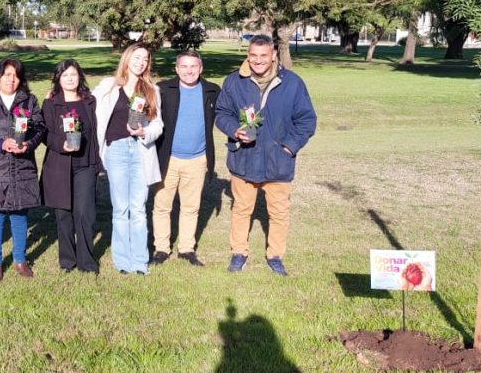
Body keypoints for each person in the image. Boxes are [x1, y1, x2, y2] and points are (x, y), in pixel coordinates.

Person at [215, 35, 316, 276]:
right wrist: (234, 130)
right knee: (241, 209)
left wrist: (289, 147)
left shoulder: (292, 83)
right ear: (247, 55)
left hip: (278, 161)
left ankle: (275, 256)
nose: (258, 60)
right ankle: (239, 253)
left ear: (273, 55)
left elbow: (306, 120)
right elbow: (221, 113)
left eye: (263, 55)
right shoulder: (234, 81)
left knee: (279, 213)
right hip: (244, 158)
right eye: (253, 55)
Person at [94, 43, 163, 275]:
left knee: (139, 208)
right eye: (137, 57)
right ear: (127, 58)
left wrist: (144, 132)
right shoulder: (109, 86)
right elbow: (85, 102)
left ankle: (140, 261)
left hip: (141, 151)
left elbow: (158, 125)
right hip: (117, 150)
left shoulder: (152, 90)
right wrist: (55, 93)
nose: (141, 62)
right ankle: (123, 261)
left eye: (145, 59)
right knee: (121, 208)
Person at [0, 58, 45, 280]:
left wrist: (28, 144)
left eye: (15, 75)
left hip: (23, 166)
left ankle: (20, 260)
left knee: (19, 214)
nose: (11, 79)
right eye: (7, 75)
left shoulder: (29, 100)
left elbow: (40, 128)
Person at [151, 51, 220, 267]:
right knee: (162, 206)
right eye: (184, 66)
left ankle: (186, 249)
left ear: (201, 68)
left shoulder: (212, 91)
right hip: (168, 159)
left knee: (191, 207)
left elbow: (227, 114)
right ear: (176, 69)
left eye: (193, 66)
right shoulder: (163, 89)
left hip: (197, 160)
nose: (189, 71)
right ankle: (161, 248)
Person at [40, 60, 100, 274]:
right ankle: (67, 260)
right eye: (64, 75)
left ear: (80, 76)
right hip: (59, 165)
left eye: (73, 74)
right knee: (63, 214)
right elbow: (44, 134)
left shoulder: (89, 101)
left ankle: (87, 262)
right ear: (58, 78)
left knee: (84, 214)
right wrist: (61, 144)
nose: (69, 79)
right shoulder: (50, 103)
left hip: (85, 164)